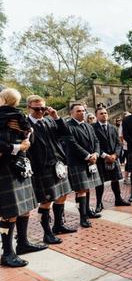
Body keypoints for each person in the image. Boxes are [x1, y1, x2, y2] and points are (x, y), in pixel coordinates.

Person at [0, 88, 49, 267]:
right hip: (5, 168)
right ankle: (7, 253)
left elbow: (30, 141)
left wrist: (26, 133)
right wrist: (17, 147)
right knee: (9, 213)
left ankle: (23, 243)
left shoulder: (17, 118)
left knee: (26, 207)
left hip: (20, 166)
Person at [26, 95, 76, 245]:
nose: (40, 111)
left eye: (43, 108)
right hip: (42, 168)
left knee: (62, 195)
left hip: (58, 164)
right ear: (29, 107)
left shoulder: (49, 120)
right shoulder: (26, 124)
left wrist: (57, 117)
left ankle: (58, 225)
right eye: (37, 109)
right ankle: (47, 233)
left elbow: (66, 134)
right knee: (47, 201)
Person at [66, 103, 102, 228]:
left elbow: (96, 140)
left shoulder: (88, 125)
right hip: (78, 162)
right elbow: (72, 144)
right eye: (78, 111)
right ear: (71, 113)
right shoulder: (68, 126)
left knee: (88, 188)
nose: (82, 113)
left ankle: (87, 211)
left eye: (83, 110)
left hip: (91, 161)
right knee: (81, 190)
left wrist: (96, 154)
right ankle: (83, 218)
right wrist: (88, 156)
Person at [93, 107, 130, 213]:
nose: (104, 115)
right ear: (97, 116)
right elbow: (94, 145)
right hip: (101, 159)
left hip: (113, 158)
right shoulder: (93, 128)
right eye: (101, 113)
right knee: (100, 183)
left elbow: (119, 143)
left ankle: (118, 199)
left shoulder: (112, 127)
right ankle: (99, 203)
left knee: (115, 180)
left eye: (105, 113)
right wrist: (105, 156)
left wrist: (115, 155)